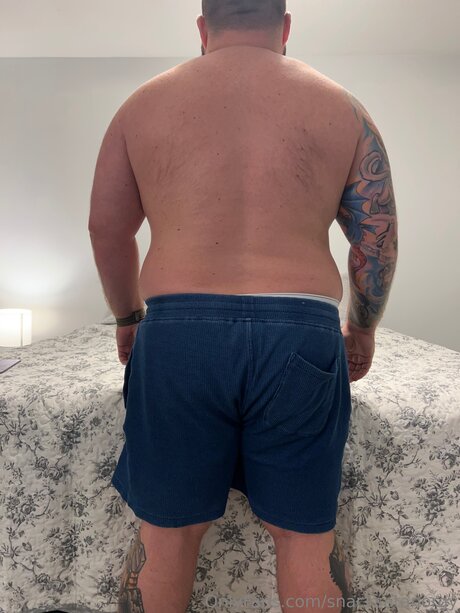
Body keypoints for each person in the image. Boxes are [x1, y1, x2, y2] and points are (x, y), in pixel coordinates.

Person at [88, 1, 398, 611]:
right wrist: (362, 328)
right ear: (286, 26)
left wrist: (128, 318)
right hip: (301, 334)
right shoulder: (343, 108)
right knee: (304, 537)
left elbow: (106, 229)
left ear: (203, 28)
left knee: (168, 534)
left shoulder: (141, 105)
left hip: (178, 335)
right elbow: (376, 239)